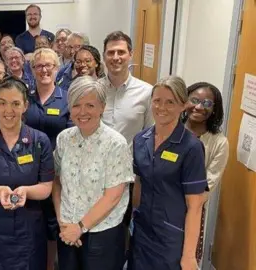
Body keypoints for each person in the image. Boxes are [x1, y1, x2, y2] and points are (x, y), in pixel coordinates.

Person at [0, 76, 55, 270]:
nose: (9, 110)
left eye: (16, 103)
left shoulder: (40, 141)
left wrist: (25, 191)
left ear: (25, 106)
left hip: (28, 230)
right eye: (3, 103)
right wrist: (1, 191)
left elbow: (46, 187)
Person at [53, 76, 133, 270]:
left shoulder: (116, 143)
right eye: (76, 105)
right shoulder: (64, 139)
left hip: (101, 235)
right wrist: (62, 221)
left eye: (90, 105)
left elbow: (113, 196)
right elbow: (56, 181)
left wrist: (80, 227)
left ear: (102, 107)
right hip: (67, 231)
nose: (82, 112)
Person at [129, 76, 208, 270]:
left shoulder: (191, 147)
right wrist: (133, 216)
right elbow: (139, 183)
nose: (161, 107)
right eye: (157, 100)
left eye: (170, 102)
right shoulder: (140, 140)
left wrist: (189, 256)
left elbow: (195, 206)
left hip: (171, 237)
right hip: (141, 232)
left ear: (183, 105)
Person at [24, 48, 72, 269]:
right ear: (32, 70)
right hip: (29, 173)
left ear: (57, 68)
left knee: (54, 222)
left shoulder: (67, 99)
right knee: (33, 221)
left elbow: (72, 136)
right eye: (39, 66)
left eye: (48, 65)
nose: (44, 70)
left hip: (58, 174)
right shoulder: (26, 100)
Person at [182, 82, 229, 262]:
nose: (199, 107)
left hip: (192, 210)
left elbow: (209, 184)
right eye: (194, 100)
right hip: (161, 205)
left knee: (188, 259)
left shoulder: (219, 142)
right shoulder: (170, 130)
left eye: (207, 103)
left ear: (214, 109)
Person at [99, 31, 153, 146]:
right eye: (110, 53)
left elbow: (150, 133)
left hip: (131, 162)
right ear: (104, 56)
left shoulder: (147, 92)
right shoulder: (94, 90)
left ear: (131, 54)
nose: (115, 57)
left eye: (121, 52)